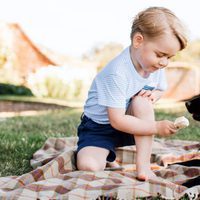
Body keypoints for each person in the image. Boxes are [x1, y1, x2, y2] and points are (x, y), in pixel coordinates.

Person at [76, 6, 187, 181]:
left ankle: (143, 167)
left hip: (131, 123)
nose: (164, 62)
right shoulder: (117, 73)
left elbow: (160, 89)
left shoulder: (153, 65)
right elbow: (117, 120)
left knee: (142, 102)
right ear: (138, 41)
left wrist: (154, 96)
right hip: (99, 128)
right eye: (161, 55)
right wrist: (156, 127)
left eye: (169, 57)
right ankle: (104, 153)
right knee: (89, 167)